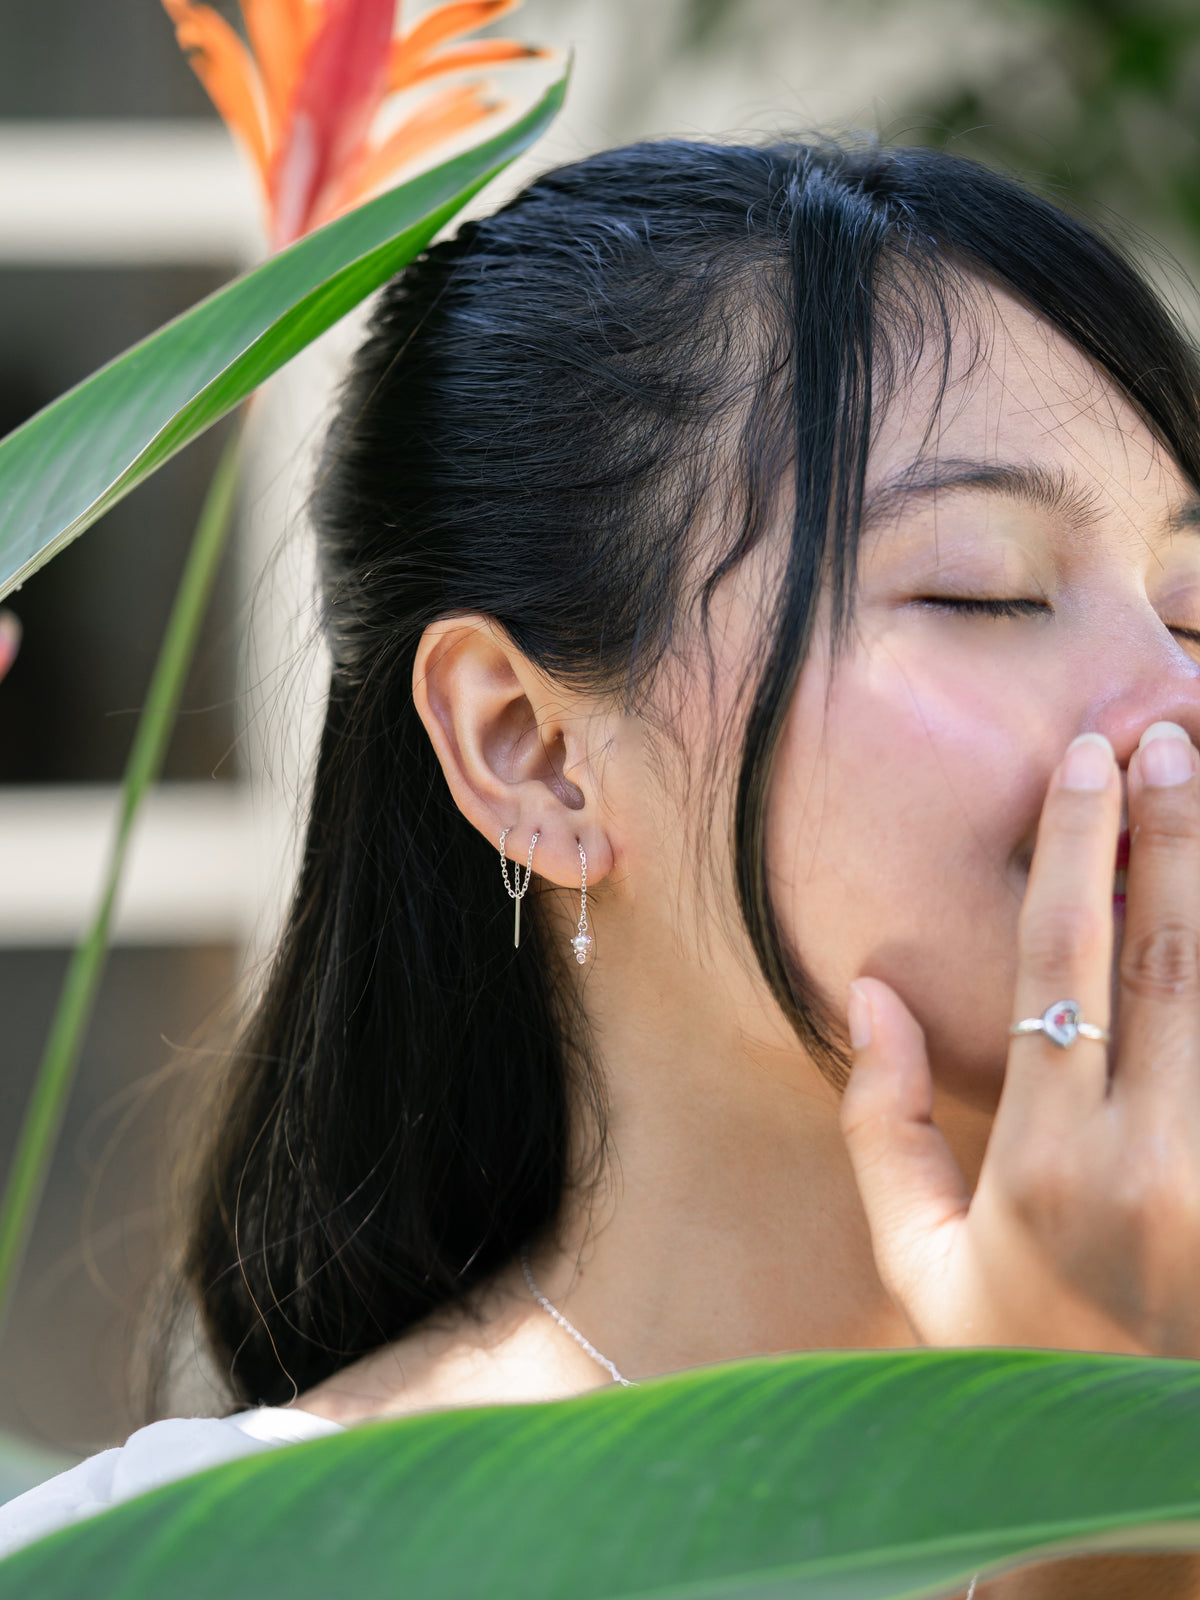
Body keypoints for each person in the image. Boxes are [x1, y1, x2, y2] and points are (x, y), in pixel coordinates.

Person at [3, 134, 1200, 1598]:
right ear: (532, 752)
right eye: (987, 589)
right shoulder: (193, 1568)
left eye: (1192, 611)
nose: (1174, 706)